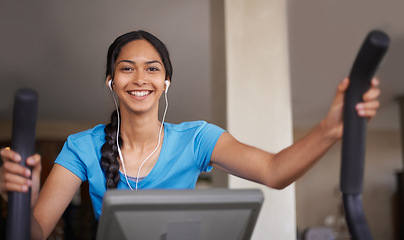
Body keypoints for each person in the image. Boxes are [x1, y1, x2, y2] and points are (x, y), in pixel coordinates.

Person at [0, 30, 381, 239]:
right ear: (111, 81)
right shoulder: (81, 146)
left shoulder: (197, 138)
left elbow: (275, 171)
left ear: (166, 82)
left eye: (152, 69)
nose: (139, 79)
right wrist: (23, 198)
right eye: (127, 68)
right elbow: (36, 232)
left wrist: (329, 130)